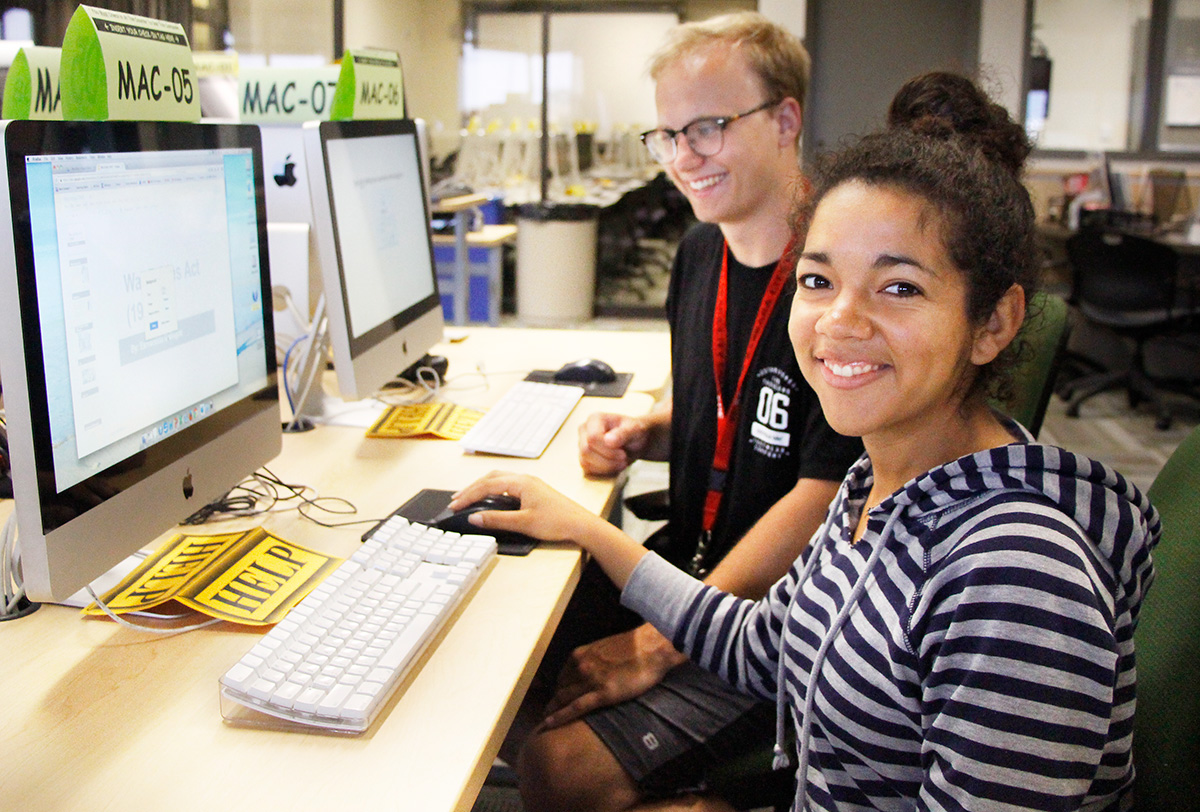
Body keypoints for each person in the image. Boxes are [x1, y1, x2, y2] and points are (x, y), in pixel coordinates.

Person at [452, 72, 1160, 811]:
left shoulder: (1017, 573)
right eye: (818, 281)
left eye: (900, 288)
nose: (839, 322)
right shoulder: (875, 489)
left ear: (994, 324)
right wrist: (584, 528)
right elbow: (765, 643)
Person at [508, 11, 864, 812]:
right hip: (692, 559)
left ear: (785, 119)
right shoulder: (701, 251)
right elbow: (726, 403)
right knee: (498, 648)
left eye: (706, 127)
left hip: (781, 612)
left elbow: (823, 493)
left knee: (558, 770)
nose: (682, 158)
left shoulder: (836, 283)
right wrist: (650, 431)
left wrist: (662, 641)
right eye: (666, 135)